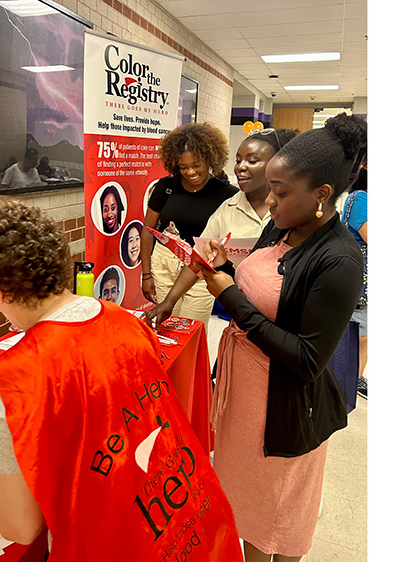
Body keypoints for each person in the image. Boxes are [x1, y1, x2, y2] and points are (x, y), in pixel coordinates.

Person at [0, 198, 243, 561]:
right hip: (194, 520)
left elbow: (20, 526)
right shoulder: (124, 319)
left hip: (114, 542)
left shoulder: (14, 375)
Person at [194, 114, 367, 562]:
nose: (268, 201)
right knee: (244, 503)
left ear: (322, 195)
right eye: (270, 189)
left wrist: (229, 298)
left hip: (287, 408)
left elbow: (307, 358)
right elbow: (265, 291)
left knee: (278, 512)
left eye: (281, 192)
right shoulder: (282, 226)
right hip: (245, 399)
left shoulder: (339, 260)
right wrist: (226, 271)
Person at [144, 128, 299, 329]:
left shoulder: (295, 209)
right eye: (238, 160)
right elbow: (199, 257)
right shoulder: (228, 208)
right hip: (242, 309)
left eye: (252, 161)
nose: (241, 167)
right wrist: (169, 300)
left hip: (285, 313)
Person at [141, 122, 237, 329]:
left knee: (191, 330)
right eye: (183, 167)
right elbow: (148, 231)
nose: (190, 172)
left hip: (201, 271)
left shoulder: (226, 194)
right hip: (164, 264)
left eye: (196, 165)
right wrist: (146, 274)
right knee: (166, 328)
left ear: (210, 160)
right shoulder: (165, 187)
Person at [341, 157, 368, 398]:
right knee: (357, 336)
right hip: (360, 279)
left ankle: (355, 380)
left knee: (365, 337)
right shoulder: (360, 198)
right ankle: (347, 383)